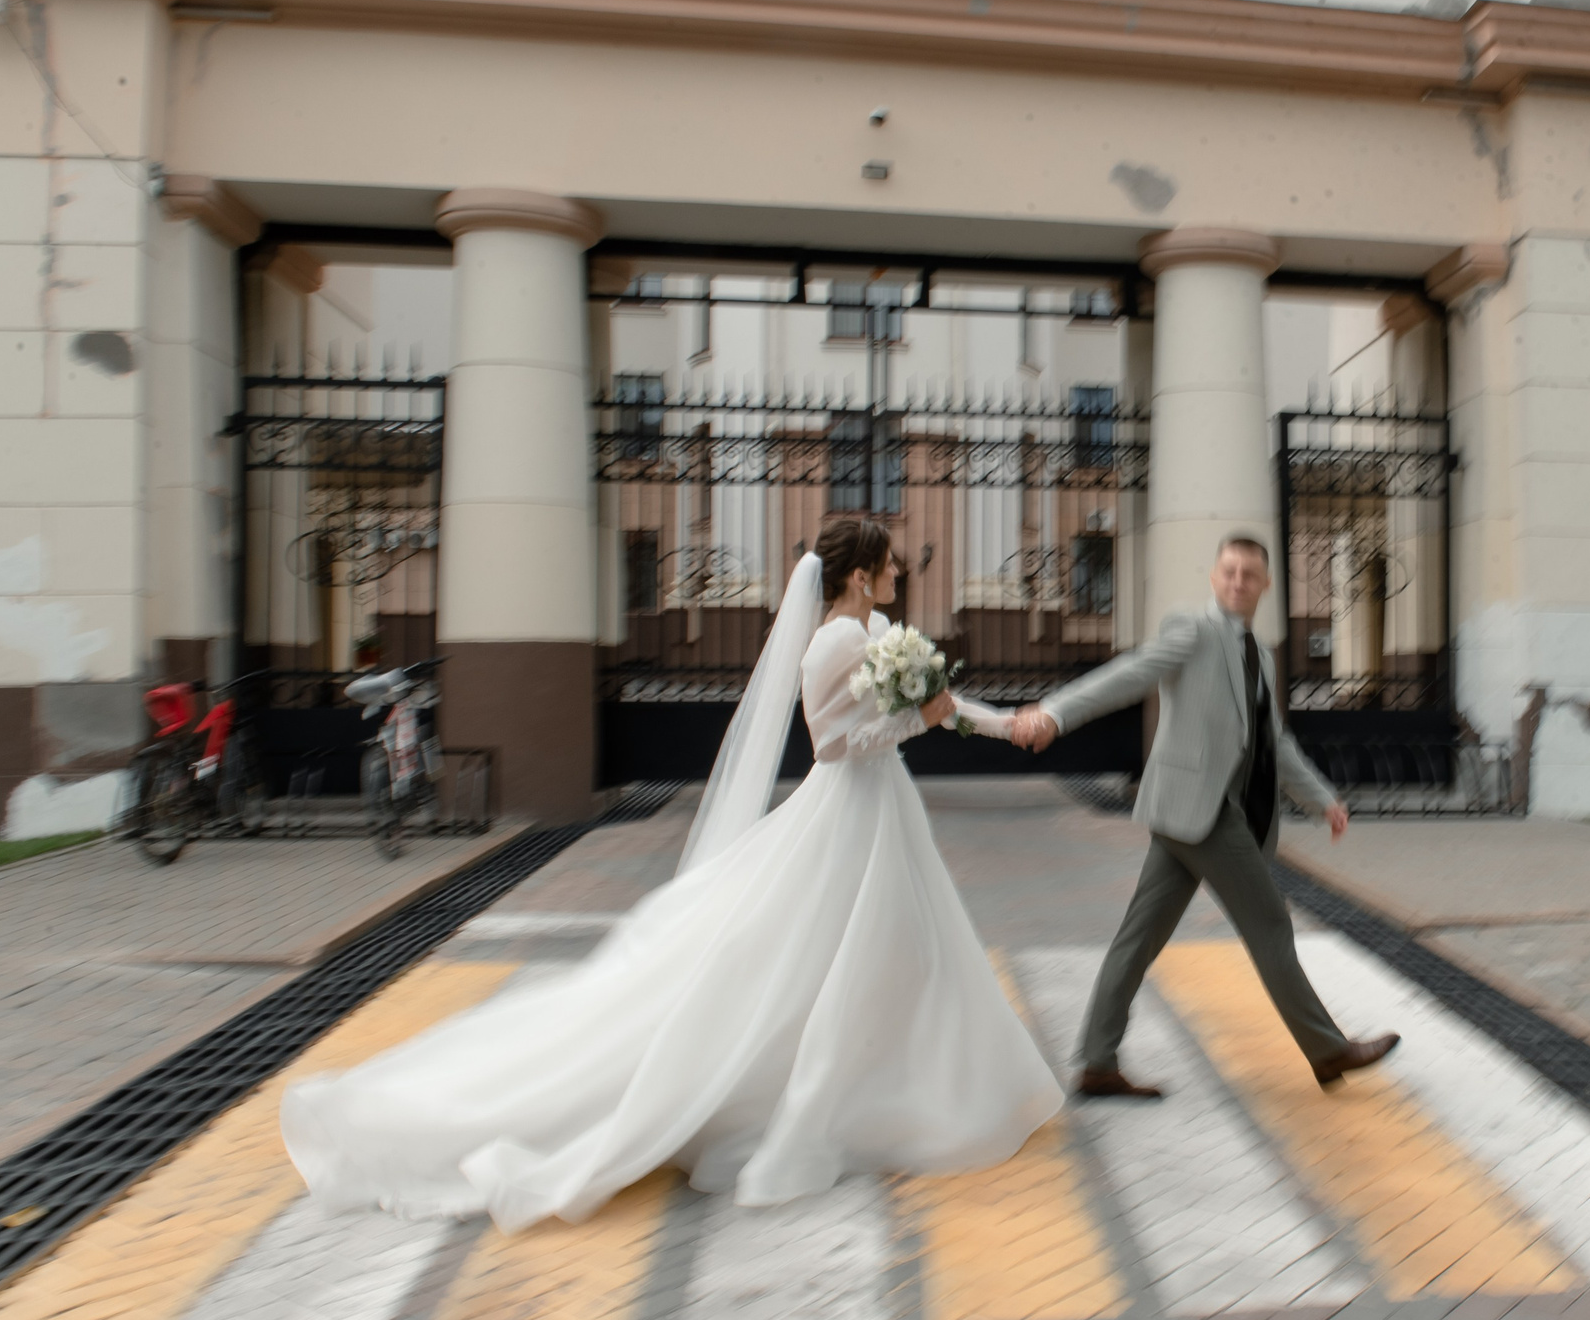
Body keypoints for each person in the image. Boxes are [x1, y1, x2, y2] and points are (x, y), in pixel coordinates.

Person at [282, 515, 1062, 1231]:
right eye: (889, 563)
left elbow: (941, 700)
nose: (899, 571)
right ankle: (832, 1095)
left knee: (900, 948)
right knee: (827, 954)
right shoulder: (831, 644)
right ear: (859, 574)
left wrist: (1009, 724)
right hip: (845, 815)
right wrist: (912, 720)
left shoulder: (881, 632)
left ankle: (908, 1082)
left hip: (885, 810)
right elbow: (830, 744)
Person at [1011, 533, 1399, 1099]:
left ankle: (1096, 1061)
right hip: (1205, 811)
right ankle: (1327, 1049)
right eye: (1229, 571)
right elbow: (1131, 674)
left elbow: (1273, 740)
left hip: (1188, 812)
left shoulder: (1259, 654)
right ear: (1214, 578)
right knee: (1269, 921)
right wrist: (1054, 713)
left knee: (1139, 935)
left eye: (1249, 574)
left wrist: (1322, 799)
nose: (1238, 581)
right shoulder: (1191, 630)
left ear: (1266, 584)